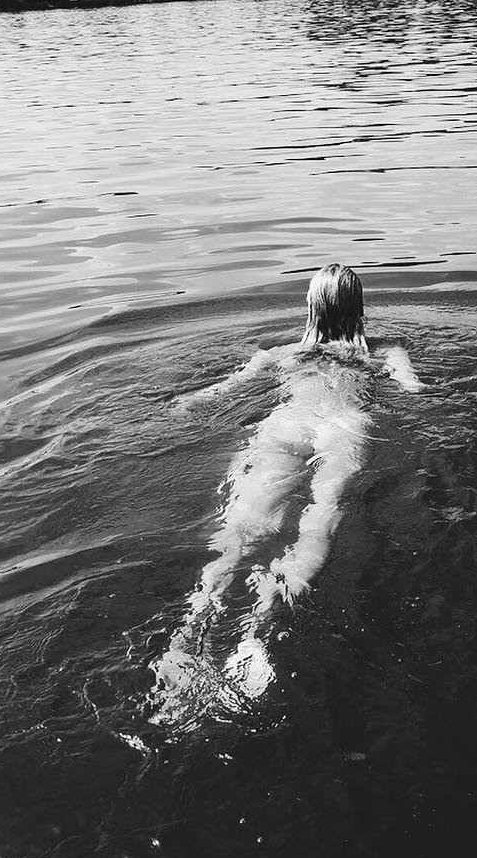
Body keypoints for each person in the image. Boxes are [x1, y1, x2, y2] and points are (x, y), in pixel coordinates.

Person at [148, 264, 421, 726]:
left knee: (242, 531)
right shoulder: (385, 351)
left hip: (286, 427)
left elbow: (222, 390)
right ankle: (263, 616)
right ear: (359, 307)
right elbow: (414, 392)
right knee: (321, 517)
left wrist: (184, 403)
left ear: (311, 306)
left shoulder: (282, 352)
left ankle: (192, 625)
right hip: (343, 428)